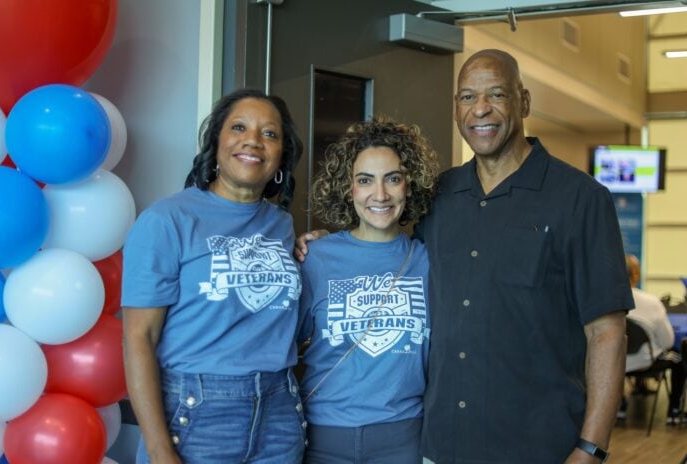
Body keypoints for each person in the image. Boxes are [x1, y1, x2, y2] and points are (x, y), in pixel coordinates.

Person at [295, 49, 633, 464]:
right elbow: (380, 240)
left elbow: (607, 333)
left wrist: (591, 448)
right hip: (440, 445)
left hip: (539, 445)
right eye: (467, 97)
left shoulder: (579, 199)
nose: (481, 110)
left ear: (523, 102)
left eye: (496, 94)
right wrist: (327, 244)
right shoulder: (439, 197)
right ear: (455, 108)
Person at [122, 88, 306, 464]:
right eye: (239, 127)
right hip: (196, 415)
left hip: (280, 413)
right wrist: (159, 450)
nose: (253, 140)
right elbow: (138, 338)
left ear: (280, 157)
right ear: (217, 143)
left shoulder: (283, 226)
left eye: (269, 134)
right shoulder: (168, 220)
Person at [298, 116, 439, 463]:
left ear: (410, 185)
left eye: (393, 178)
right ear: (348, 189)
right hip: (324, 435)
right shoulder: (316, 258)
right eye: (365, 180)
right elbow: (277, 344)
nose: (380, 194)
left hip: (404, 435)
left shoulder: (429, 262)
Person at [623, 254, 685, 425]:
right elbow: (668, 342)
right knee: (679, 358)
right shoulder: (651, 303)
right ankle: (673, 411)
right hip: (645, 360)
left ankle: (620, 405)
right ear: (636, 275)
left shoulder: (603, 301)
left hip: (612, 362)